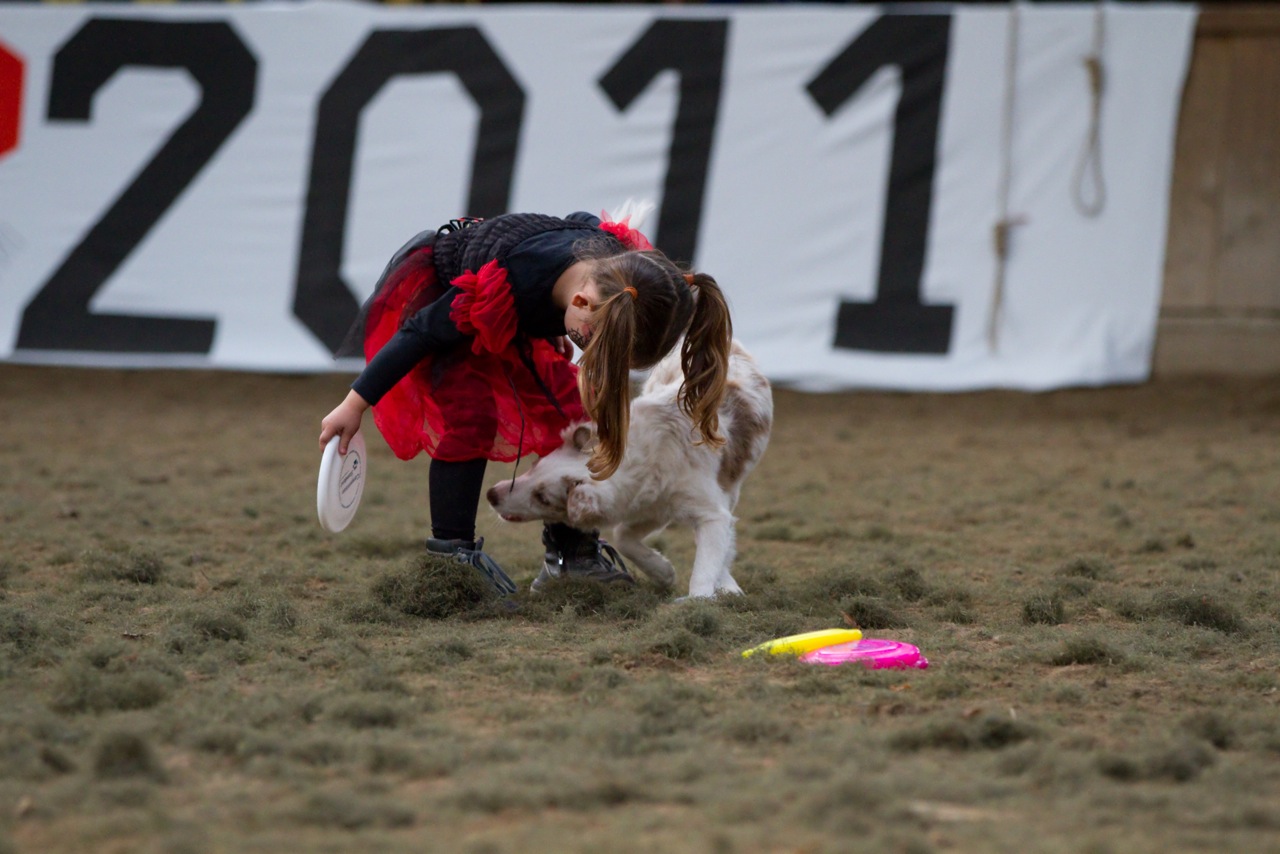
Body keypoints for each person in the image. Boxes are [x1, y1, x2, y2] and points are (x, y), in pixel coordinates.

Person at [318, 208, 733, 595]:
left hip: (523, 307)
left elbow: (580, 222)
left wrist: (550, 323)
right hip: (456, 301)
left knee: (570, 412)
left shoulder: (618, 276)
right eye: (594, 345)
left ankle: (572, 555)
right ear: (581, 303)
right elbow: (419, 333)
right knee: (472, 419)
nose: (592, 356)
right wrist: (354, 405)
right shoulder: (516, 281)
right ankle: (452, 563)